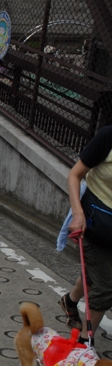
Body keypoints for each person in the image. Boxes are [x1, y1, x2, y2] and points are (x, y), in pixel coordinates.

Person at [58, 125, 112, 347]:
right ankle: (83, 346)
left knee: (97, 273)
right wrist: (78, 213)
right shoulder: (108, 137)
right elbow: (75, 174)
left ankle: (70, 301)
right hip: (96, 222)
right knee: (105, 285)